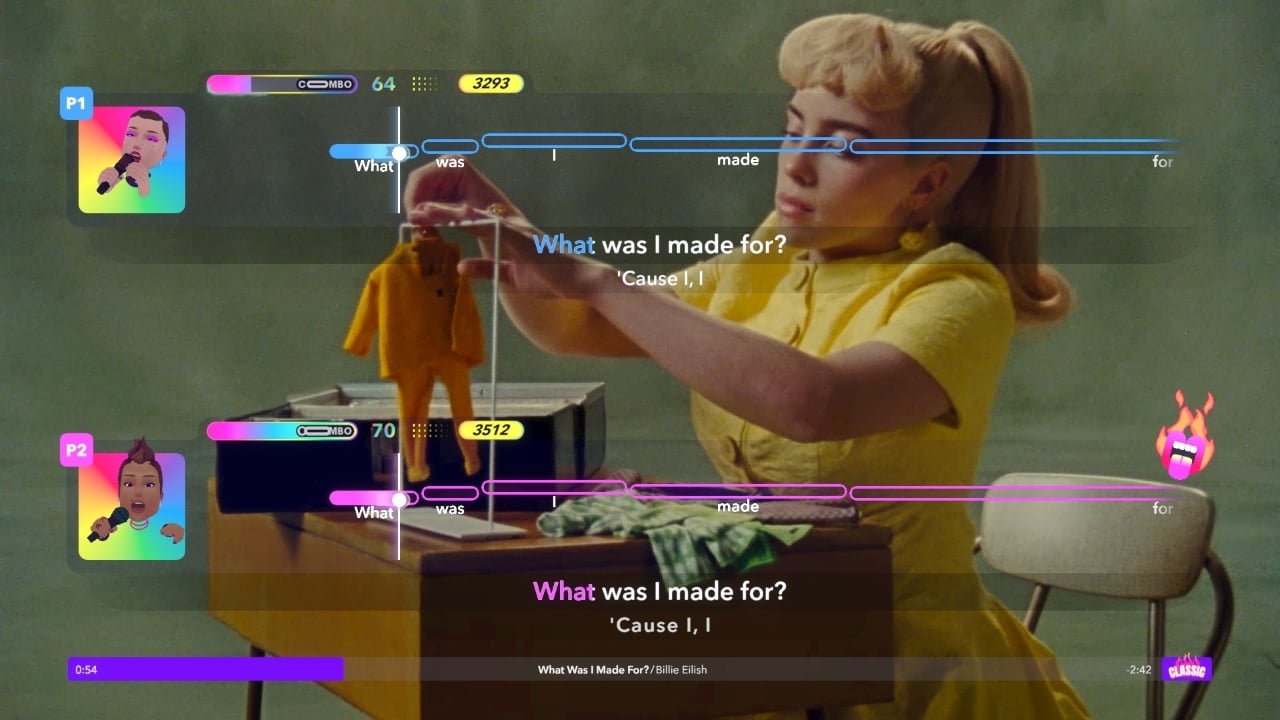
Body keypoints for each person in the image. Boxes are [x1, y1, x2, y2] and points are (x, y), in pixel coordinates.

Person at [403, 12, 1088, 719]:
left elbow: (815, 404)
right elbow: (580, 324)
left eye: (843, 146)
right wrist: (502, 226)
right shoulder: (772, 256)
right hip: (765, 642)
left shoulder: (959, 292)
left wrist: (599, 281)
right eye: (794, 129)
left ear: (925, 185)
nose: (797, 164)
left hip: (907, 672)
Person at [90, 437, 184, 544]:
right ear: (119, 494)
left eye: (149, 485)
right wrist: (100, 535)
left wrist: (180, 534)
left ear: (160, 496)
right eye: (129, 484)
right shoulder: (108, 527)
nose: (138, 492)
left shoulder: (166, 529)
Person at [96, 109, 169, 198]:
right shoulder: (117, 171)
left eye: (151, 139)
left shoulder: (167, 186)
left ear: (163, 155)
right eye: (131, 134)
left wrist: (144, 189)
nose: (137, 144)